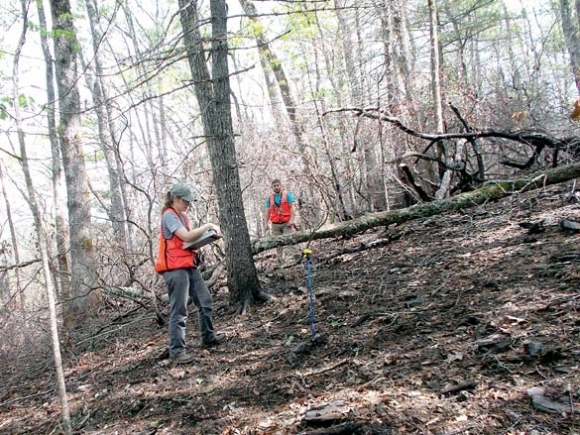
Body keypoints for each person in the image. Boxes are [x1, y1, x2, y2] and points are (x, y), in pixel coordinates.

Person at [154, 183, 224, 364]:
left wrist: (205, 238)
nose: (188, 205)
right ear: (175, 199)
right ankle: (177, 351)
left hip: (188, 265)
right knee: (180, 309)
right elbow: (185, 236)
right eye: (186, 201)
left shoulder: (183, 217)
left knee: (205, 299)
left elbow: (187, 242)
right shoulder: (169, 215)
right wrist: (208, 225)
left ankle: (208, 337)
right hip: (174, 270)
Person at [263, 179, 300, 265]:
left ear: (281, 185)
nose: (276, 187)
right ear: (272, 187)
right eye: (274, 186)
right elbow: (267, 211)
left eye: (277, 185)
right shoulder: (270, 198)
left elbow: (293, 208)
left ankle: (297, 256)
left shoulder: (287, 195)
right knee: (278, 243)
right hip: (275, 225)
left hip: (286, 223)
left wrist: (292, 220)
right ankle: (280, 261)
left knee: (289, 240)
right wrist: (266, 223)